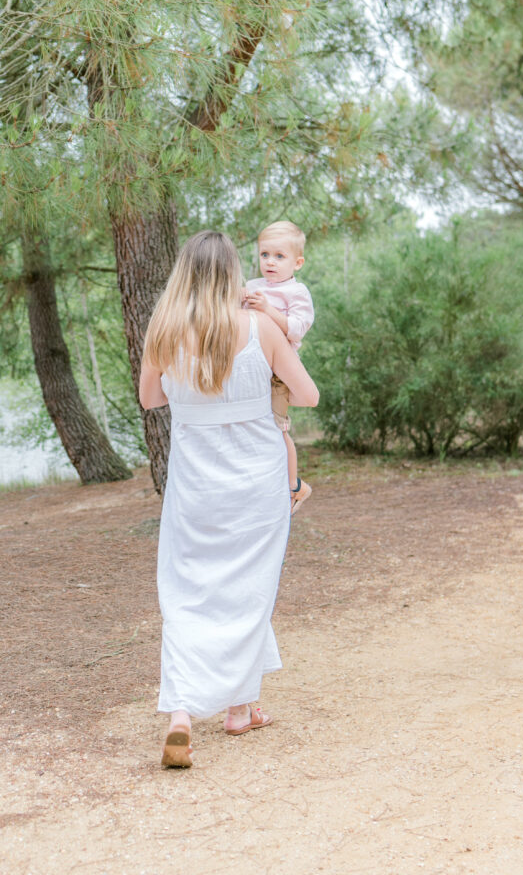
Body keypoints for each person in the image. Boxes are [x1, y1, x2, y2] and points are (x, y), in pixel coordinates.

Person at [139, 231, 319, 769]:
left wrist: (190, 390)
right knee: (249, 588)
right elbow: (307, 396)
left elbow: (150, 399)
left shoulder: (165, 330)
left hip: (195, 484)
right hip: (257, 480)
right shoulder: (260, 326)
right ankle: (240, 706)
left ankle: (188, 715)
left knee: (187, 592)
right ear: (233, 274)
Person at [243, 221, 314, 514]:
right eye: (264, 255)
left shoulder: (297, 292)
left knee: (278, 428)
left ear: (298, 262)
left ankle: (292, 487)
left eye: (279, 256)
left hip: (277, 371)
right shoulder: (251, 286)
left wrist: (267, 309)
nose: (270, 262)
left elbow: (297, 329)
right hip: (249, 364)